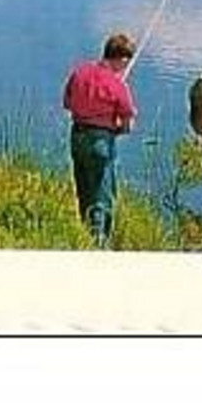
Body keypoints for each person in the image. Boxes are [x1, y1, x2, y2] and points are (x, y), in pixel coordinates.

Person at [62, 32, 138, 247]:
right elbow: (127, 124)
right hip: (101, 144)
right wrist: (116, 127)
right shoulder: (118, 85)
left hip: (77, 137)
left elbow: (67, 103)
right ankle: (98, 244)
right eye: (126, 62)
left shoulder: (79, 72)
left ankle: (85, 236)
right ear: (121, 59)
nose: (125, 67)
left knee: (84, 190)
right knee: (102, 196)